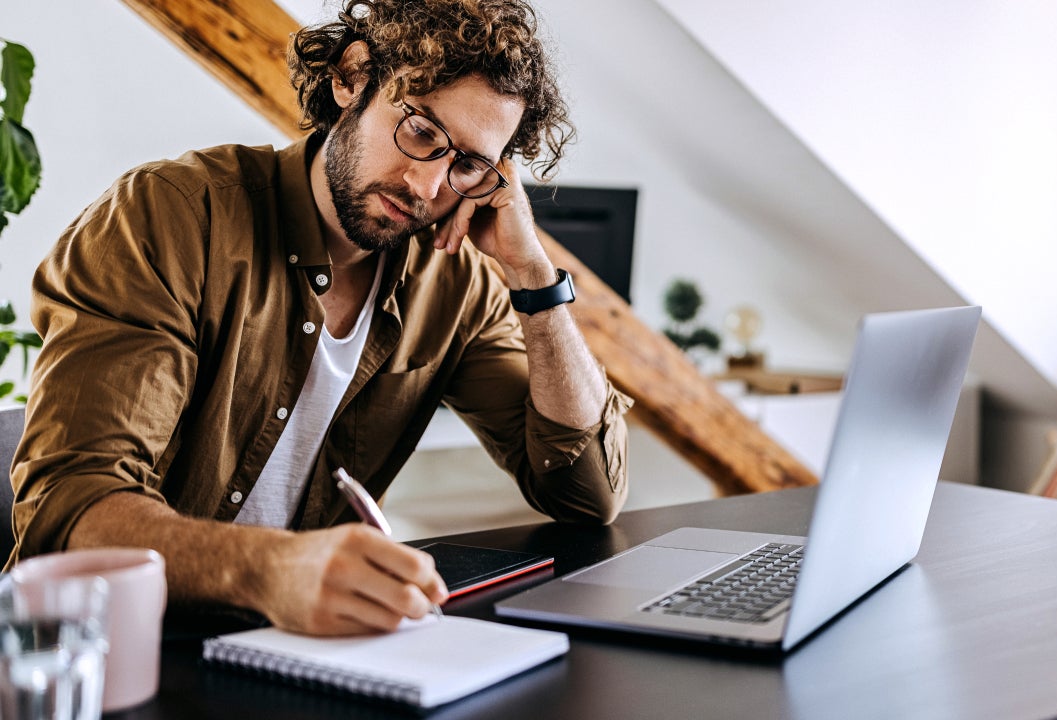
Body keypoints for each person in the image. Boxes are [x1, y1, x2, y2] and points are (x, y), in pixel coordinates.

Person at [8, 0, 631, 636]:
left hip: (302, 652)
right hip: (115, 647)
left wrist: (532, 272)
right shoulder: (170, 218)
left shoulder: (455, 282)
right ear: (351, 78)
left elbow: (584, 494)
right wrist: (272, 570)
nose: (425, 184)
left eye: (467, 164)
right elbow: (71, 511)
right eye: (419, 130)